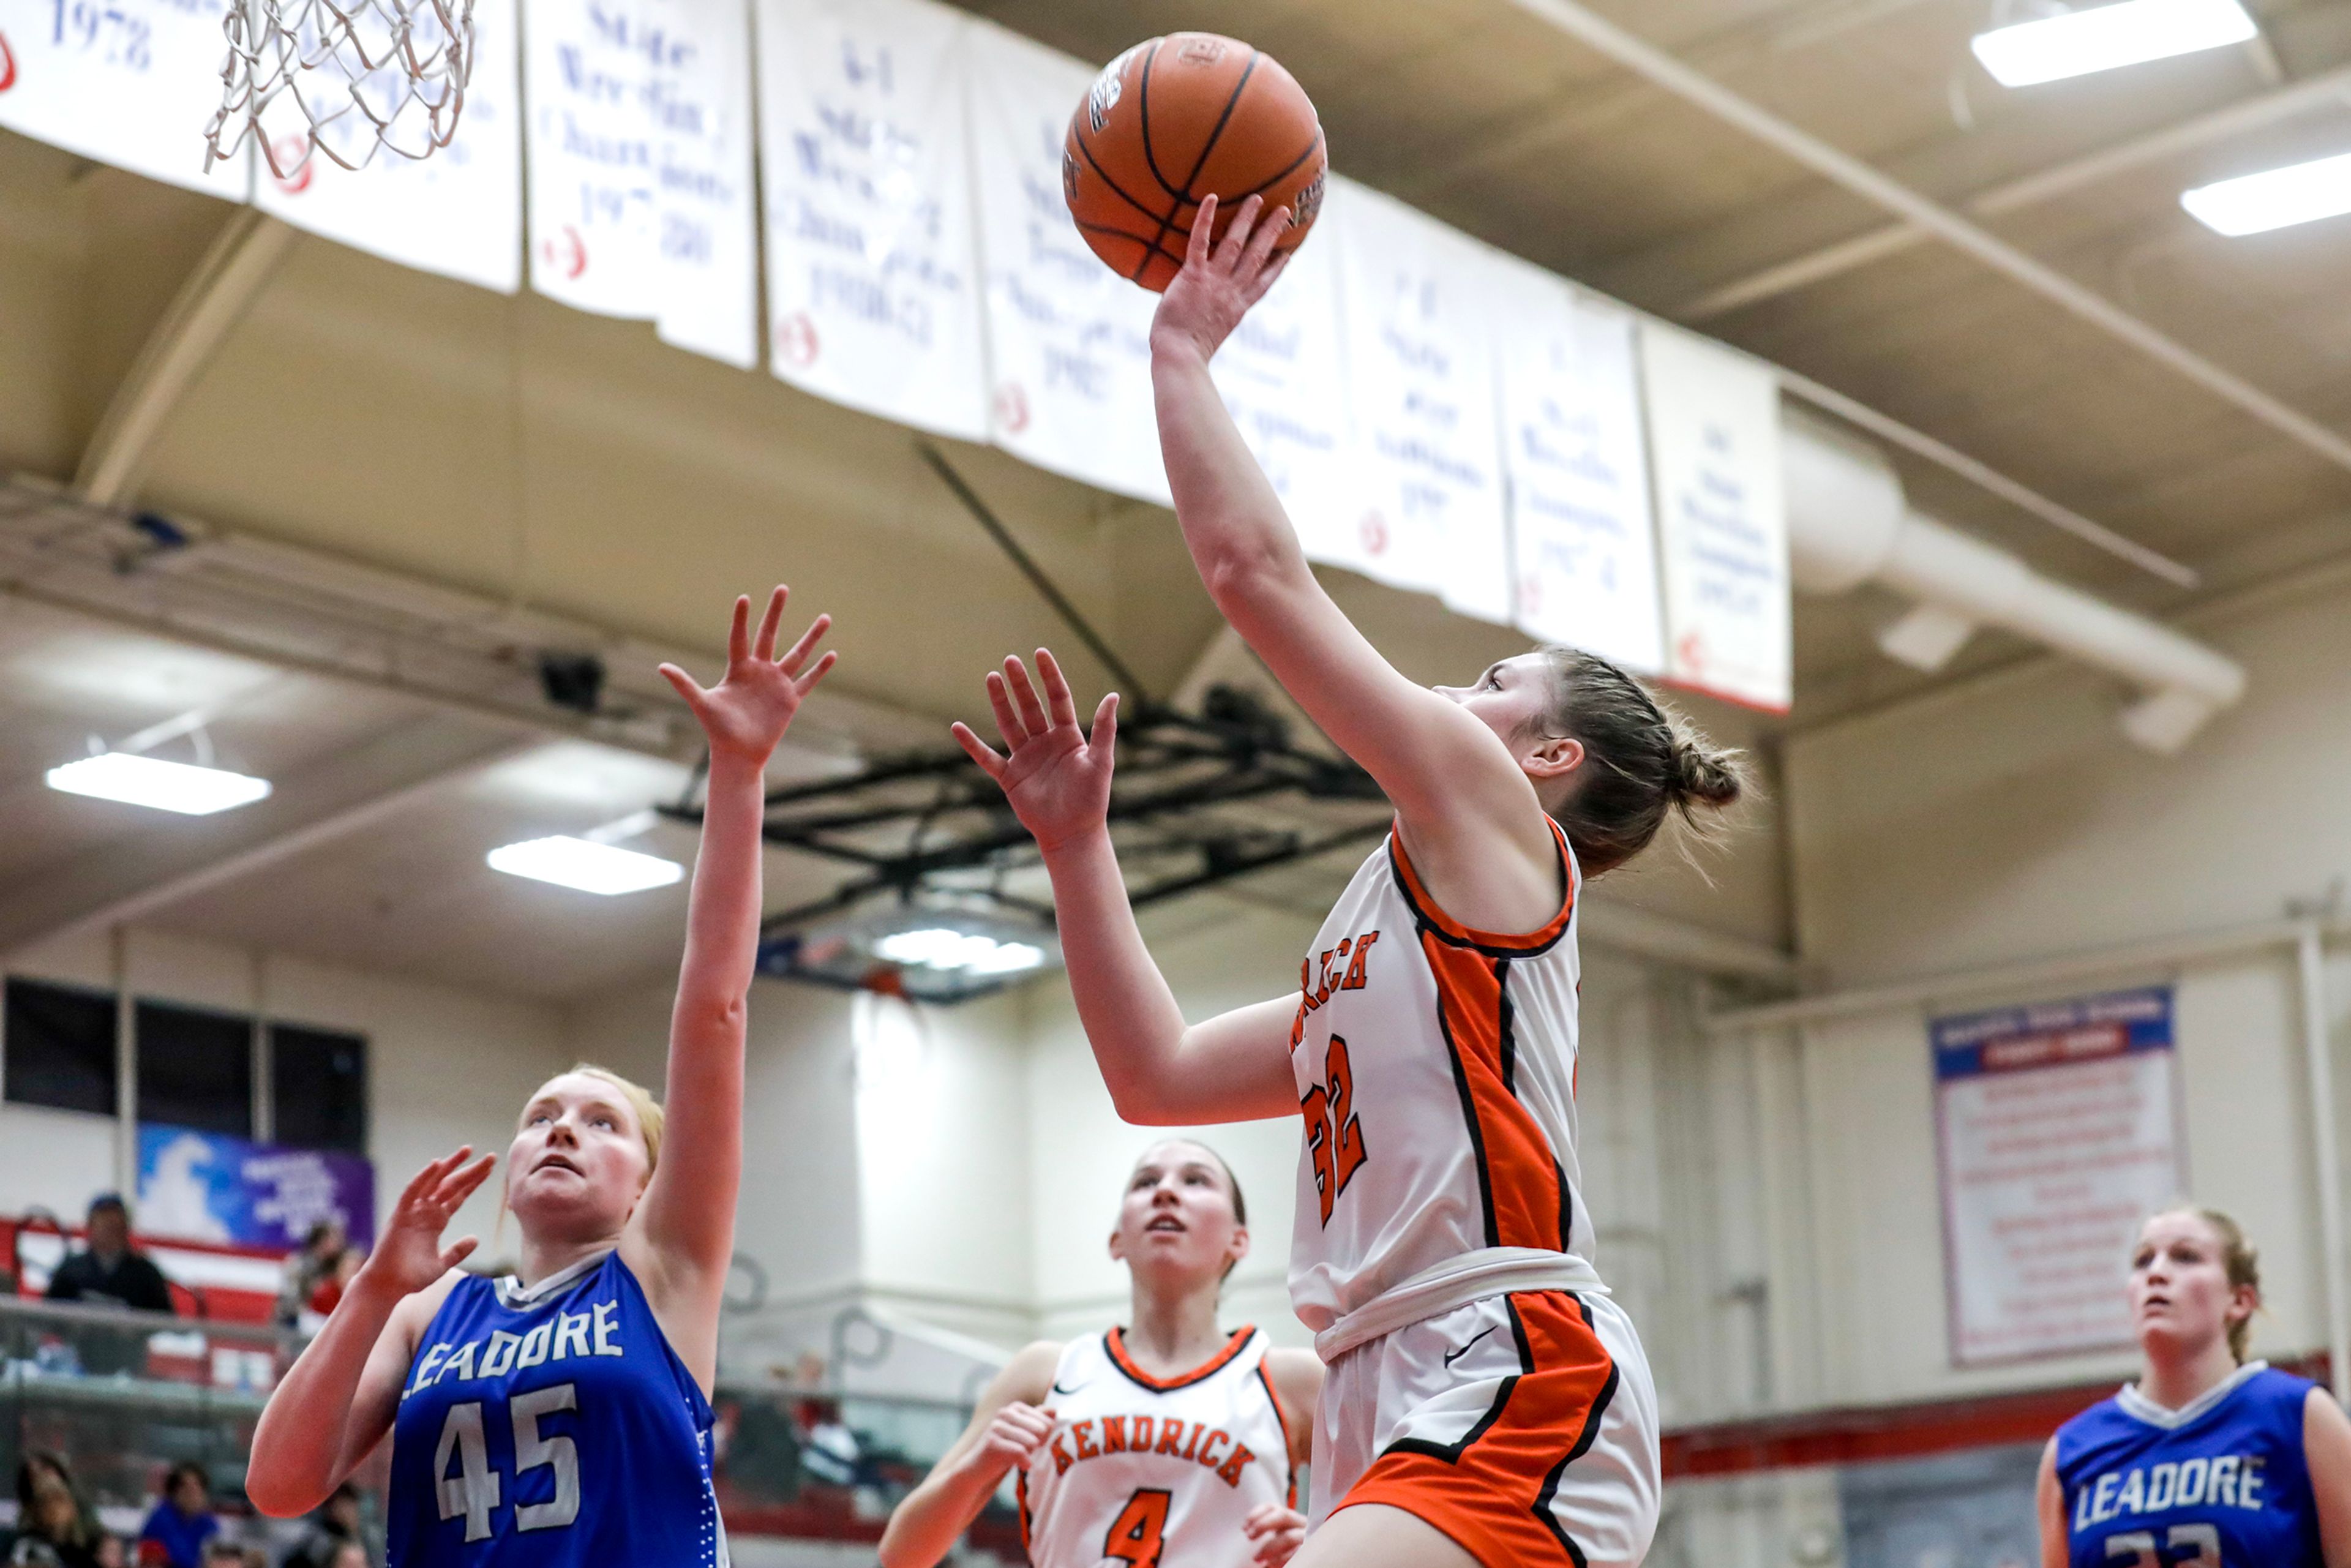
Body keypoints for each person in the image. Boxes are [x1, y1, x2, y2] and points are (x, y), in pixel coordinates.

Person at [953, 195, 1750, 1568]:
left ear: (1547, 753)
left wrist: (1183, 357)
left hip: (1510, 1360)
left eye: (1497, 680)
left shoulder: (1500, 828)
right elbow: (1158, 1073)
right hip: (1383, 1384)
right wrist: (1078, 846)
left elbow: (1253, 571)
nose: (1457, 684)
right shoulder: (1385, 934)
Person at [242, 586, 836, 1567]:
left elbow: (715, 1012)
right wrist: (371, 1291)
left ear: (648, 1184)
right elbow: (279, 1483)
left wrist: (737, 774)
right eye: (543, 1114)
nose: (562, 1128)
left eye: (603, 1122)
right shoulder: (433, 1310)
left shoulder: (663, 1269)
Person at [880, 1140, 1321, 1568]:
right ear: (1116, 1240)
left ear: (1238, 1240)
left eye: (1196, 1180)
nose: (1166, 1191)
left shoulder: (1292, 1379)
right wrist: (976, 1470)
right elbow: (902, 1554)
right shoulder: (1043, 1372)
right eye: (1146, 1182)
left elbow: (1386, 1520)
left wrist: (1325, 1547)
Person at [2036, 1206, 2351, 1566]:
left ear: (2239, 1300)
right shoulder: (2072, 1449)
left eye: (2186, 1257)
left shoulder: (2299, 1414)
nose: (2156, 1273)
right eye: (2143, 1261)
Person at [46, 1195, 173, 1314]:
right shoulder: (70, 1271)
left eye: (115, 1226)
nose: (110, 1232)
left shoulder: (146, 1274)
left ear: (126, 1229)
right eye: (104, 1225)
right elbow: (47, 1316)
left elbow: (164, 1322)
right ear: (91, 1227)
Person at [276, 1220, 357, 1332]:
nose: (340, 1243)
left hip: (322, 1317)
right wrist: (309, 1313)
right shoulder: (300, 1264)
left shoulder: (335, 1264)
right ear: (323, 1241)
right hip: (294, 1319)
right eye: (335, 1239)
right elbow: (291, 1298)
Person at [136, 1465, 220, 1568]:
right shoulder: (160, 1521)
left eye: (198, 1490)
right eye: (188, 1490)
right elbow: (179, 1557)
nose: (194, 1496)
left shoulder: (207, 1521)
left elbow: (217, 1552)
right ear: (174, 1492)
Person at [10, 1474, 102, 1568]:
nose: (53, 1509)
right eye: (46, 1503)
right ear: (36, 1510)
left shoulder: (83, 1549)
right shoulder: (27, 1546)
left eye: (59, 1500)